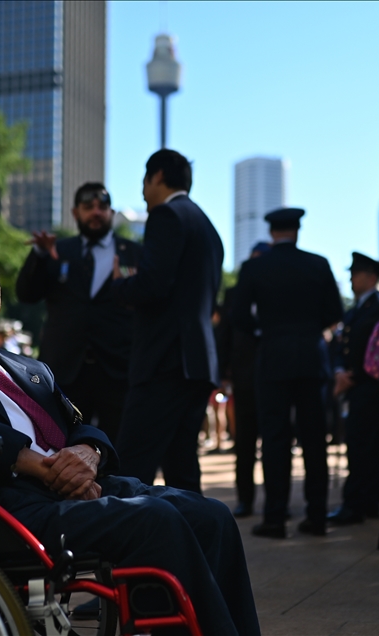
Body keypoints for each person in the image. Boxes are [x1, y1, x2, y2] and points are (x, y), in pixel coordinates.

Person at [0, 244, 261, 636]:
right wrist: (39, 465)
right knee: (156, 521)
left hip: (75, 487)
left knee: (212, 517)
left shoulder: (29, 367)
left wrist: (89, 454)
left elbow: (78, 426)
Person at [111, 149, 224, 494]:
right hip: (197, 362)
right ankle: (194, 544)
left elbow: (153, 285)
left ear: (157, 176)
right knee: (182, 468)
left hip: (165, 360)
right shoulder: (208, 227)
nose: (143, 193)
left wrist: (120, 284)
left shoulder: (166, 216)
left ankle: (120, 546)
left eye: (144, 182)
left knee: (130, 467)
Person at [231, 208, 345, 538]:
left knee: (275, 439)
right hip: (311, 357)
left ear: (272, 232)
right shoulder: (318, 264)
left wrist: (265, 331)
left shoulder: (254, 267)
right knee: (313, 439)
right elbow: (334, 313)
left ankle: (275, 517)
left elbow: (239, 316)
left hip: (273, 358)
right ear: (297, 230)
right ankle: (317, 515)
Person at [16, 183, 142, 442]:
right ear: (75, 213)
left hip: (117, 370)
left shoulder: (134, 253)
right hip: (64, 372)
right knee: (63, 447)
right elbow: (26, 294)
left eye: (102, 207)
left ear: (111, 212)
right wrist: (39, 255)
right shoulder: (56, 250)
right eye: (88, 207)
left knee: (119, 453)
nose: (96, 212)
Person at [328, 252, 379, 525]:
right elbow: (342, 346)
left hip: (373, 387)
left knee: (368, 446)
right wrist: (340, 370)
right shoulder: (354, 311)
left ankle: (361, 502)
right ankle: (363, 501)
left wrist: (356, 374)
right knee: (360, 445)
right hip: (356, 386)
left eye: (356, 274)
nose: (351, 279)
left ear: (370, 276)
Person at [217, 241, 270, 517]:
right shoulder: (235, 293)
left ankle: (275, 503)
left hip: (273, 377)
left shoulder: (277, 290)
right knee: (245, 443)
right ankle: (245, 499)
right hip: (244, 376)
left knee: (274, 442)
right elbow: (225, 333)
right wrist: (223, 372)